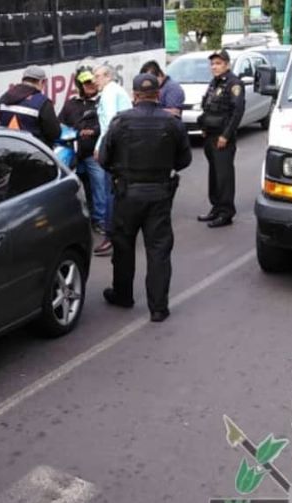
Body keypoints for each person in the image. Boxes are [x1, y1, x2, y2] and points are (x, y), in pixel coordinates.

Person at [98, 74, 192, 323]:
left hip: (127, 194)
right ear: (158, 95)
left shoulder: (120, 122)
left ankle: (123, 295)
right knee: (159, 250)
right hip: (160, 194)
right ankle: (158, 307)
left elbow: (104, 159)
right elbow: (184, 160)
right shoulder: (171, 122)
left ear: (135, 95)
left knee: (123, 246)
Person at [197, 49, 245, 228]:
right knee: (214, 174)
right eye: (212, 64)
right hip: (210, 134)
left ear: (227, 65)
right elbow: (208, 107)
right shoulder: (214, 83)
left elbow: (237, 112)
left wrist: (226, 135)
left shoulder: (234, 84)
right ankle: (216, 207)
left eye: (218, 63)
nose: (214, 67)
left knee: (224, 175)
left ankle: (226, 212)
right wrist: (203, 127)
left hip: (222, 137)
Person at [59, 62, 106, 234]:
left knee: (99, 188)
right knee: (71, 191)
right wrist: (73, 133)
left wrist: (93, 131)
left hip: (94, 155)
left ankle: (100, 220)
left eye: (92, 82)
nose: (90, 85)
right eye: (86, 83)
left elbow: (110, 124)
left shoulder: (102, 102)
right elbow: (60, 125)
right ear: (79, 84)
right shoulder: (71, 104)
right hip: (73, 156)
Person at [91, 63, 132, 257]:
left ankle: (110, 235)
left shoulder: (109, 93)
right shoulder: (116, 90)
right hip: (123, 147)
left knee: (110, 192)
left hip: (114, 148)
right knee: (118, 191)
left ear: (107, 76)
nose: (94, 80)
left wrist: (99, 146)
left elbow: (108, 123)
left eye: (97, 76)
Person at [0, 66, 61, 147]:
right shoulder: (43, 103)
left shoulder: (4, 98)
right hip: (33, 153)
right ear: (41, 82)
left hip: (7, 150)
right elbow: (54, 133)